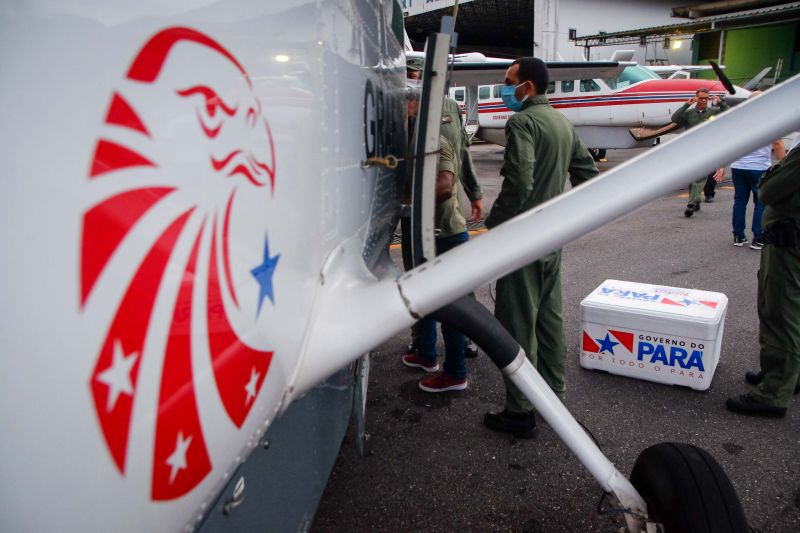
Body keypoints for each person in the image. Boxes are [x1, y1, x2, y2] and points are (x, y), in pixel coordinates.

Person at [483, 57, 599, 437]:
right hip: (551, 239)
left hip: (524, 241)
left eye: (508, 82)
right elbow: (587, 176)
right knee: (549, 321)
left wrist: (496, 223)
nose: (505, 89)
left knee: (518, 324)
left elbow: (519, 179)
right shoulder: (563, 122)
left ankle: (520, 411)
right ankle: (554, 397)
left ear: (527, 87)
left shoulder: (523, 121)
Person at [404, 56, 484, 359]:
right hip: (412, 213)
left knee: (454, 282)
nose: (414, 83)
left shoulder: (448, 107)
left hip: (442, 208)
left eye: (418, 76)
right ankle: (422, 342)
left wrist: (474, 190)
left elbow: (461, 151)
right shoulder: (396, 110)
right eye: (409, 76)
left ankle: (462, 339)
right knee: (418, 280)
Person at [726, 145, 800, 418]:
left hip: (789, 245)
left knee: (781, 310)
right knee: (788, 310)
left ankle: (774, 391)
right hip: (787, 240)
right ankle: (784, 374)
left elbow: (768, 190)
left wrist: (771, 173)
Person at [730, 93, 786, 249]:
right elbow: (777, 143)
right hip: (759, 167)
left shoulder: (737, 120)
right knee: (761, 202)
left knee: (739, 201)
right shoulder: (768, 119)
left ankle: (738, 236)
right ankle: (758, 237)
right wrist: (785, 164)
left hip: (738, 166)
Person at [671, 88, 728, 217]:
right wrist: (687, 104)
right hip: (690, 149)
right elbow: (675, 118)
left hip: (707, 148)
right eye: (701, 98)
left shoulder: (713, 112)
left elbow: (730, 113)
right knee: (692, 177)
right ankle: (695, 203)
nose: (703, 100)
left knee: (699, 177)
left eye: (706, 98)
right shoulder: (689, 113)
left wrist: (721, 103)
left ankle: (690, 204)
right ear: (696, 98)